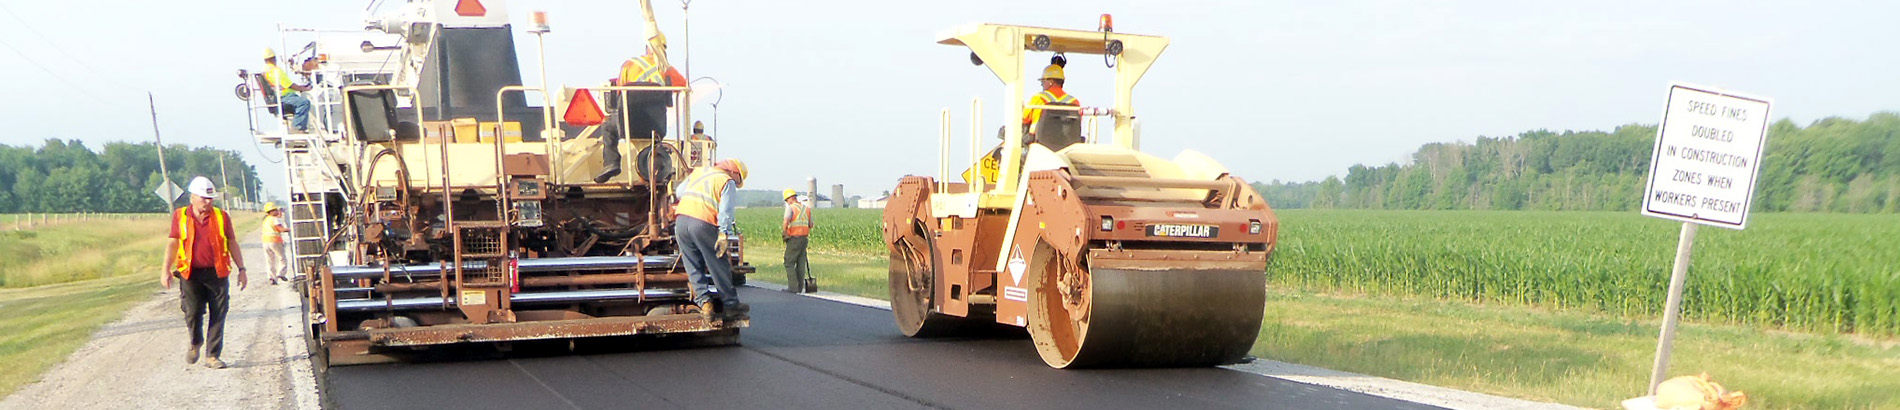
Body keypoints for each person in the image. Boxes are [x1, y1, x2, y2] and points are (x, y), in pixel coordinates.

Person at [161, 176, 249, 369]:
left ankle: (213, 355)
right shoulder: (180, 216)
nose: (208, 202)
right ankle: (196, 342)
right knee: (192, 312)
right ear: (192, 197)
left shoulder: (222, 216)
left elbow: (232, 242)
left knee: (219, 313)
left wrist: (242, 269)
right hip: (189, 273)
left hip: (217, 273)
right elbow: (173, 242)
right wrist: (165, 269)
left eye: (210, 199)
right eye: (204, 198)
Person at [598, 32, 689, 183]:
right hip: (656, 126)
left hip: (628, 125)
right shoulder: (667, 69)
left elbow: (619, 94)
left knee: (608, 127)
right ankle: (657, 160)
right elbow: (684, 86)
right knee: (656, 137)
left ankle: (612, 163)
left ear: (647, 47)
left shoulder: (629, 65)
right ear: (663, 49)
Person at [673, 159, 749, 319]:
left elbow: (679, 192)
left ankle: (705, 304)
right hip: (702, 222)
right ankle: (731, 304)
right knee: (718, 261)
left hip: (681, 221)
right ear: (735, 172)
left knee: (693, 264)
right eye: (738, 181)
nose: (737, 184)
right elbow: (726, 211)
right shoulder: (726, 181)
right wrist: (723, 233)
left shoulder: (699, 172)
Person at [1021, 56, 1080, 148]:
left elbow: (1024, 119)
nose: (1042, 84)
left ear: (1050, 81)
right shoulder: (1074, 102)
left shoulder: (1038, 99)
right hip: (1067, 145)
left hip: (1038, 144)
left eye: (1043, 81)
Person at [261, 48, 313, 133]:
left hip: (277, 97)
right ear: (273, 58)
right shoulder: (276, 70)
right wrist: (305, 88)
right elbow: (290, 85)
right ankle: (297, 128)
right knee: (304, 103)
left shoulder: (265, 71)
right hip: (284, 97)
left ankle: (297, 126)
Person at [780, 189, 812, 293]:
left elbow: (786, 222)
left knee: (789, 262)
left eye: (786, 200)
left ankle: (792, 287)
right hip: (804, 239)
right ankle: (800, 287)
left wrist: (785, 233)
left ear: (789, 199)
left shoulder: (791, 208)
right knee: (801, 262)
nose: (787, 202)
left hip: (794, 239)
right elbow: (811, 224)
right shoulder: (806, 208)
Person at [261, 202, 290, 285]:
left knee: (270, 260)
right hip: (275, 241)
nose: (277, 211)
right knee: (282, 258)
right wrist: (290, 229)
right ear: (271, 211)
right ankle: (281, 274)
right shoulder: (274, 219)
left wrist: (280, 214)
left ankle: (272, 278)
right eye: (275, 210)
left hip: (265, 242)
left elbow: (277, 219)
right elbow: (280, 229)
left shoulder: (266, 219)